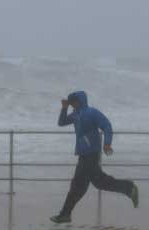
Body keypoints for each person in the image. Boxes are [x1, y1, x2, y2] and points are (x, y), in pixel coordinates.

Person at [50, 91, 139, 223]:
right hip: (83, 154)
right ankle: (65, 214)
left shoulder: (92, 112)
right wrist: (64, 107)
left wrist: (107, 143)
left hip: (91, 154)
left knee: (83, 185)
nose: (72, 104)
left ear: (79, 101)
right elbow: (61, 122)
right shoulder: (75, 115)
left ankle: (129, 187)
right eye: (71, 102)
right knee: (90, 184)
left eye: (73, 101)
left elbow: (107, 126)